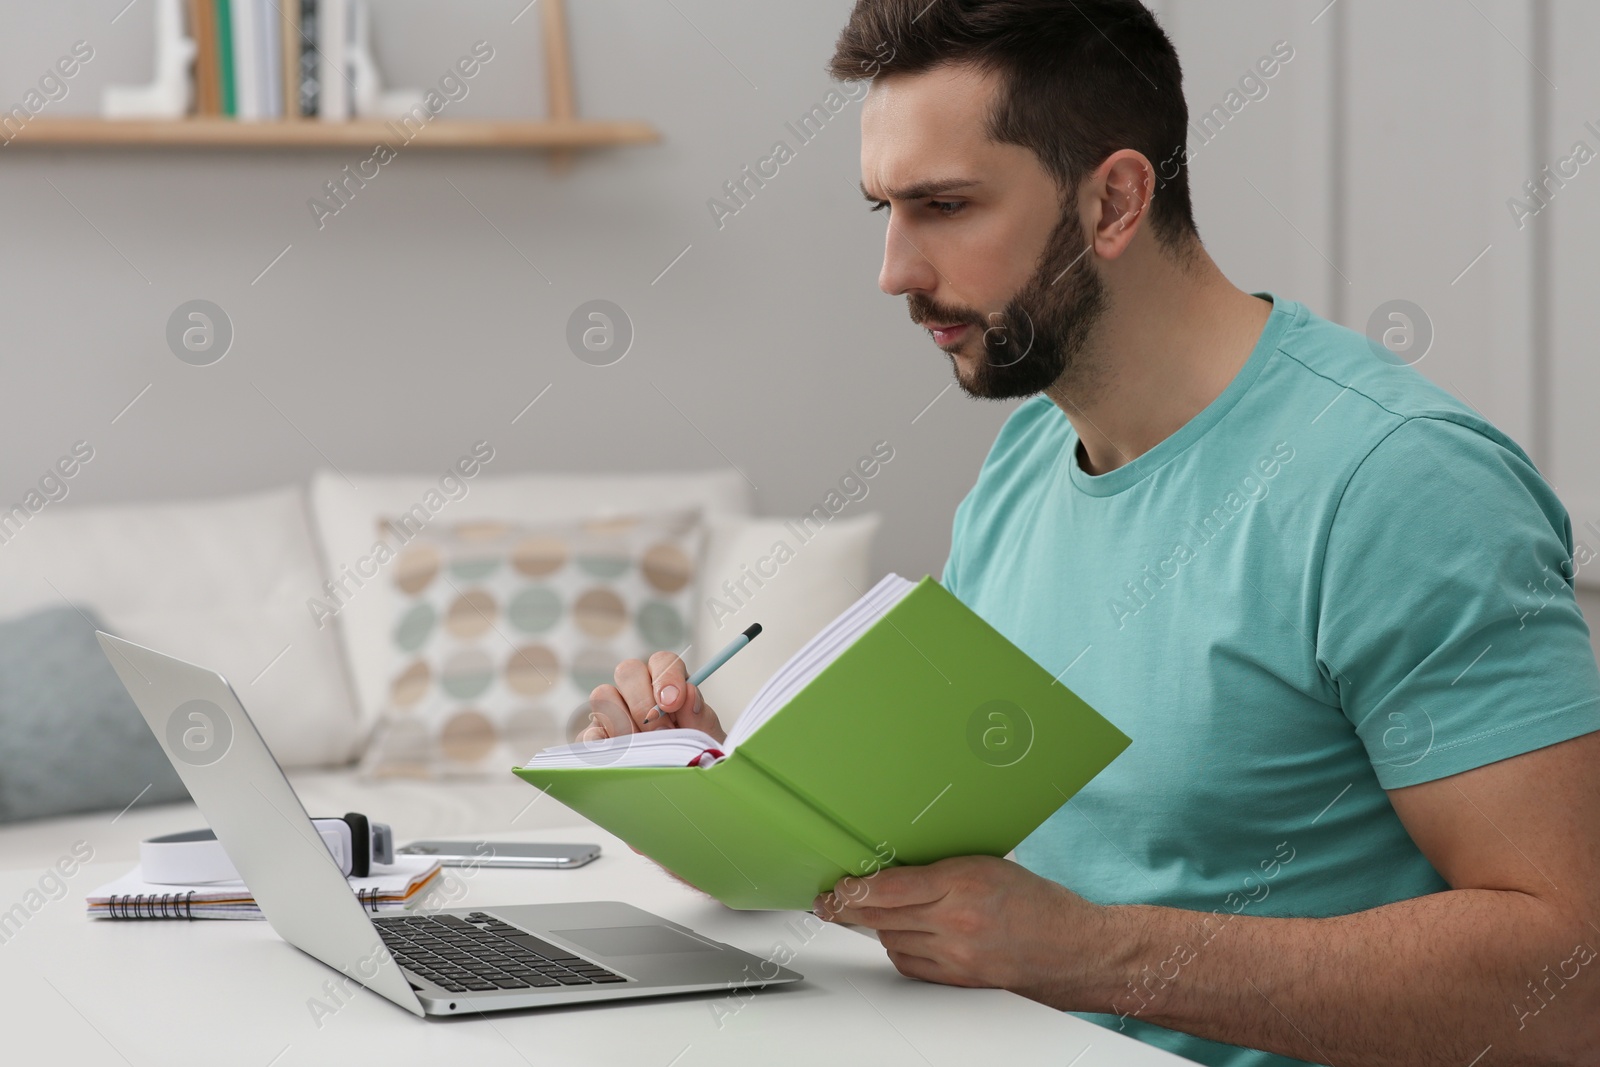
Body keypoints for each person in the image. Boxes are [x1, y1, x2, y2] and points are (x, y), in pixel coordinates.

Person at [580, 2, 1600, 1063]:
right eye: (884, 207)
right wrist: (719, 797)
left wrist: (1088, 952)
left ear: (1113, 199)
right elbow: (942, 844)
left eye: (943, 205)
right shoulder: (1030, 457)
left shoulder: (1398, 482)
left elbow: (1573, 977)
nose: (893, 269)